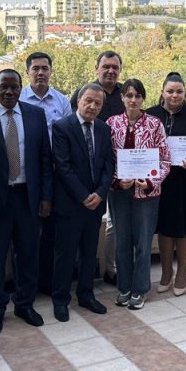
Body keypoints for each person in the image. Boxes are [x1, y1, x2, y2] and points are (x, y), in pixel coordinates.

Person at [0, 69, 52, 335]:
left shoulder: (36, 115)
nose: (9, 92)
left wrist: (46, 196)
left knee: (28, 254)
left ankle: (25, 304)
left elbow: (45, 160)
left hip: (28, 197)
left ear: (20, 88)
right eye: (4, 86)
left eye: (14, 87)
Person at [50, 83, 114, 321]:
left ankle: (86, 294)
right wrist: (83, 195)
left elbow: (109, 164)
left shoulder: (103, 129)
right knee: (65, 254)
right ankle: (60, 300)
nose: (92, 106)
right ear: (78, 101)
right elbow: (62, 167)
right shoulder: (62, 127)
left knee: (89, 252)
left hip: (96, 203)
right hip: (70, 203)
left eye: (98, 103)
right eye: (88, 100)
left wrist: (99, 192)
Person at [107, 78, 171, 310]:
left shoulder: (154, 124)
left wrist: (151, 181)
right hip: (119, 193)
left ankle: (140, 289)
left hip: (147, 194)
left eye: (137, 96)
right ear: (122, 97)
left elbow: (165, 160)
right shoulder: (111, 123)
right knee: (122, 243)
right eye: (129, 95)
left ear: (143, 98)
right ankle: (124, 287)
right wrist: (117, 180)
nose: (133, 100)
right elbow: (106, 160)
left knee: (143, 244)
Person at [146, 72, 186, 296]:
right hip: (160, 183)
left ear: (184, 93)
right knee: (164, 229)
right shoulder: (150, 115)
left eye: (179, 91)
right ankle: (165, 273)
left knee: (185, 229)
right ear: (162, 92)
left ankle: (181, 274)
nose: (174, 95)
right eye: (170, 91)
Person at [21, 51, 73, 296]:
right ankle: (26, 286)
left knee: (53, 231)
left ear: (51, 71)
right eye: (36, 68)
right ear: (28, 72)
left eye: (45, 68)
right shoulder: (18, 99)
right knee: (26, 233)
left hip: (56, 174)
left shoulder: (61, 101)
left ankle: (48, 282)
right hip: (25, 177)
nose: (40, 72)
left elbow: (71, 136)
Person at [71, 50, 125, 285]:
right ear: (96, 68)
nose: (110, 71)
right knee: (81, 228)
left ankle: (112, 269)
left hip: (121, 168)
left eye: (115, 67)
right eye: (106, 66)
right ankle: (81, 273)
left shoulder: (126, 93)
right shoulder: (85, 91)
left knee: (115, 222)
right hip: (86, 172)